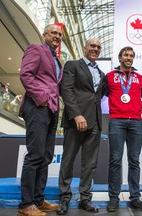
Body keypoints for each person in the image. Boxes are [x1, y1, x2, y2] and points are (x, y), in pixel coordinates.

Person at [18, 24, 63, 216]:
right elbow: (25, 75)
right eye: (53, 33)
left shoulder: (58, 60)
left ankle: (38, 199)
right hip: (37, 107)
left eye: (59, 34)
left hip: (52, 110)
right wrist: (42, 98)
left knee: (45, 157)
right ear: (44, 35)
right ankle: (26, 205)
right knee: (35, 155)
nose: (57, 36)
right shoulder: (36, 49)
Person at [57, 38, 106, 215]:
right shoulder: (72, 65)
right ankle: (64, 197)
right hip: (75, 121)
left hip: (95, 123)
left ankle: (85, 198)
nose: (95, 49)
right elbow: (66, 90)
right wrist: (77, 115)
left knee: (90, 163)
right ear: (85, 47)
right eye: (92, 46)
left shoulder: (101, 74)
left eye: (99, 47)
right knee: (68, 159)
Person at [104, 46, 142, 212]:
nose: (129, 58)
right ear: (120, 57)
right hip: (117, 121)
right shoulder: (110, 76)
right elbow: (100, 94)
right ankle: (114, 198)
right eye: (126, 55)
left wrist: (138, 106)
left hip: (136, 122)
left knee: (134, 161)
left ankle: (135, 197)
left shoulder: (139, 78)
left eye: (131, 55)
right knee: (115, 160)